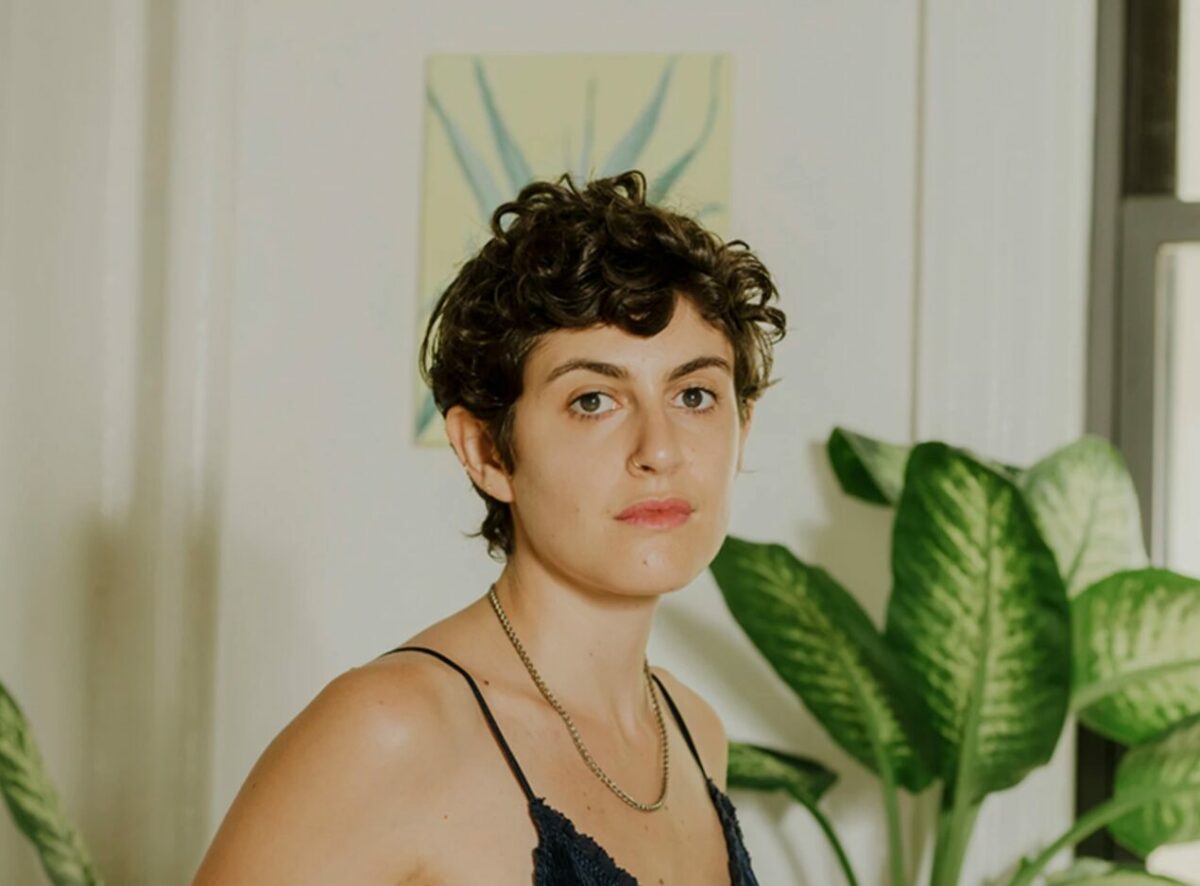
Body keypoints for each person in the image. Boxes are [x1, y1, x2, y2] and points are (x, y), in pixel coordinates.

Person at [193, 169, 787, 884]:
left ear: (743, 426)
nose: (659, 451)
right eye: (593, 400)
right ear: (487, 452)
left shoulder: (693, 733)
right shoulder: (390, 731)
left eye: (694, 395)